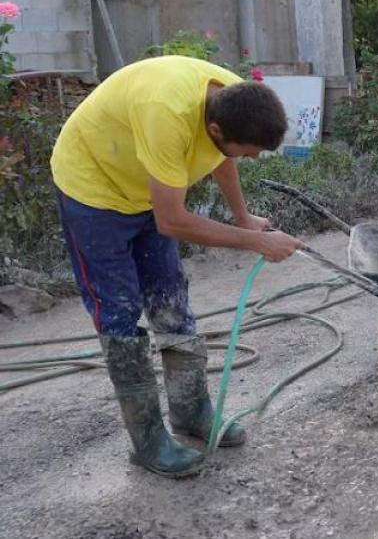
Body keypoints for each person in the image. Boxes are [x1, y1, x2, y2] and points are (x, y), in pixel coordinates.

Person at [50, 55, 303, 478]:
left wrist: (242, 217)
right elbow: (173, 220)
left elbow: (222, 158)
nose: (252, 158)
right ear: (216, 129)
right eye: (250, 150)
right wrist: (256, 240)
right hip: (93, 191)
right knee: (120, 314)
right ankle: (148, 440)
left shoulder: (231, 97)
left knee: (171, 303)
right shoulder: (166, 113)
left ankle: (191, 413)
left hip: (148, 190)